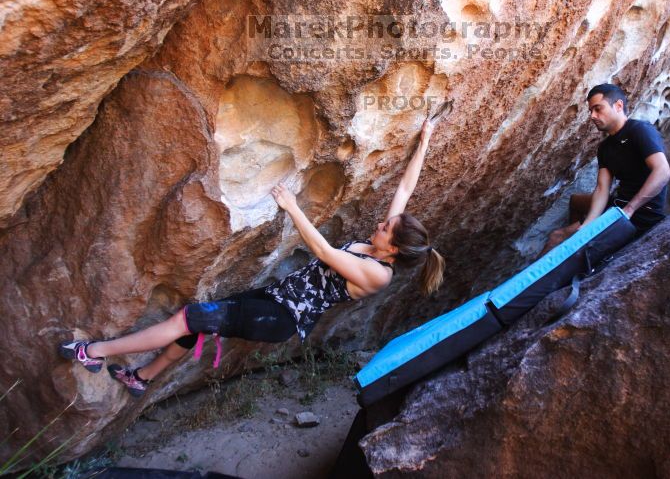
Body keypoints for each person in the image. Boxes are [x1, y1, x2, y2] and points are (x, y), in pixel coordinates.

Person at [59, 117, 445, 397]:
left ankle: (93, 352)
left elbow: (324, 251)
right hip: (273, 299)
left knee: (186, 318)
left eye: (385, 228)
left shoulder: (378, 274)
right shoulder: (384, 245)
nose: (380, 224)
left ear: (392, 249)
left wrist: (292, 207)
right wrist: (425, 139)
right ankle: (141, 377)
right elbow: (405, 189)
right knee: (197, 321)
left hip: (279, 318)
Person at [540, 83, 670, 255]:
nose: (593, 116)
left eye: (598, 109)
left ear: (618, 106)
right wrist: (587, 225)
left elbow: (663, 172)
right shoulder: (605, 147)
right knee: (564, 225)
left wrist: (629, 210)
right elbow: (602, 188)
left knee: (557, 238)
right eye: (590, 111)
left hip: (639, 216)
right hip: (616, 208)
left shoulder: (639, 130)